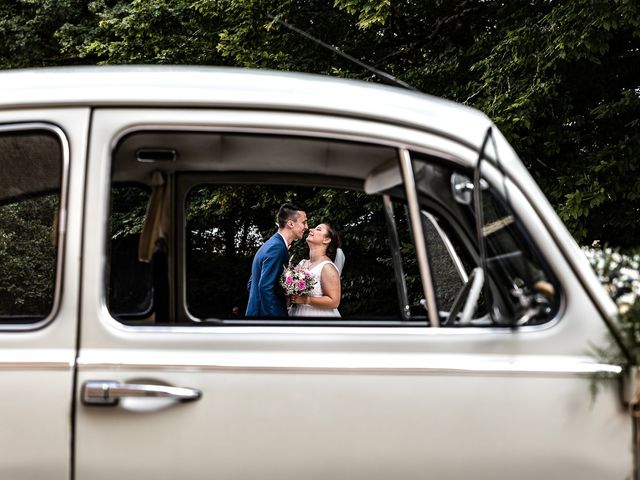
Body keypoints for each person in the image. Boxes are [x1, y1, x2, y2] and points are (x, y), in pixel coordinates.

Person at [245, 203, 308, 317]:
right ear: (290, 224)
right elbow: (265, 287)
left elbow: (251, 283)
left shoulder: (272, 244)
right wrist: (276, 321)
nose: (306, 227)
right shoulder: (276, 248)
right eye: (304, 222)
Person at [288, 223, 342, 317]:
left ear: (326, 240)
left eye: (318, 229)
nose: (311, 230)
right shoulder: (302, 263)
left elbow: (334, 302)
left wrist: (305, 300)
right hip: (296, 312)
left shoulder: (327, 267)